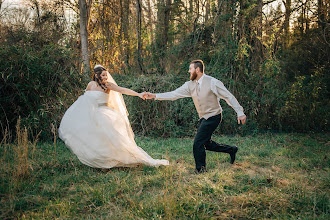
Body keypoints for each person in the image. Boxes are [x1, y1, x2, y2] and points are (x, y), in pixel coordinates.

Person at [144, 60, 246, 173]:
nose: (189, 71)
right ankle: (231, 150)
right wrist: (154, 95)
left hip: (214, 116)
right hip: (203, 118)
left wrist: (240, 112)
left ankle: (201, 170)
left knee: (198, 143)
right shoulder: (190, 85)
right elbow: (174, 94)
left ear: (197, 70)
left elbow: (228, 97)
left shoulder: (213, 82)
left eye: (190, 69)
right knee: (206, 143)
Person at [59, 65, 169, 168]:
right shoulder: (91, 85)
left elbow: (123, 90)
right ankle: (101, 161)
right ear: (96, 75)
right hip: (92, 114)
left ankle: (119, 159)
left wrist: (138, 94)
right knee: (96, 140)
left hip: (104, 115)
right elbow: (84, 98)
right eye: (103, 75)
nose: (106, 77)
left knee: (113, 139)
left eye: (106, 75)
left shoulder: (108, 85)